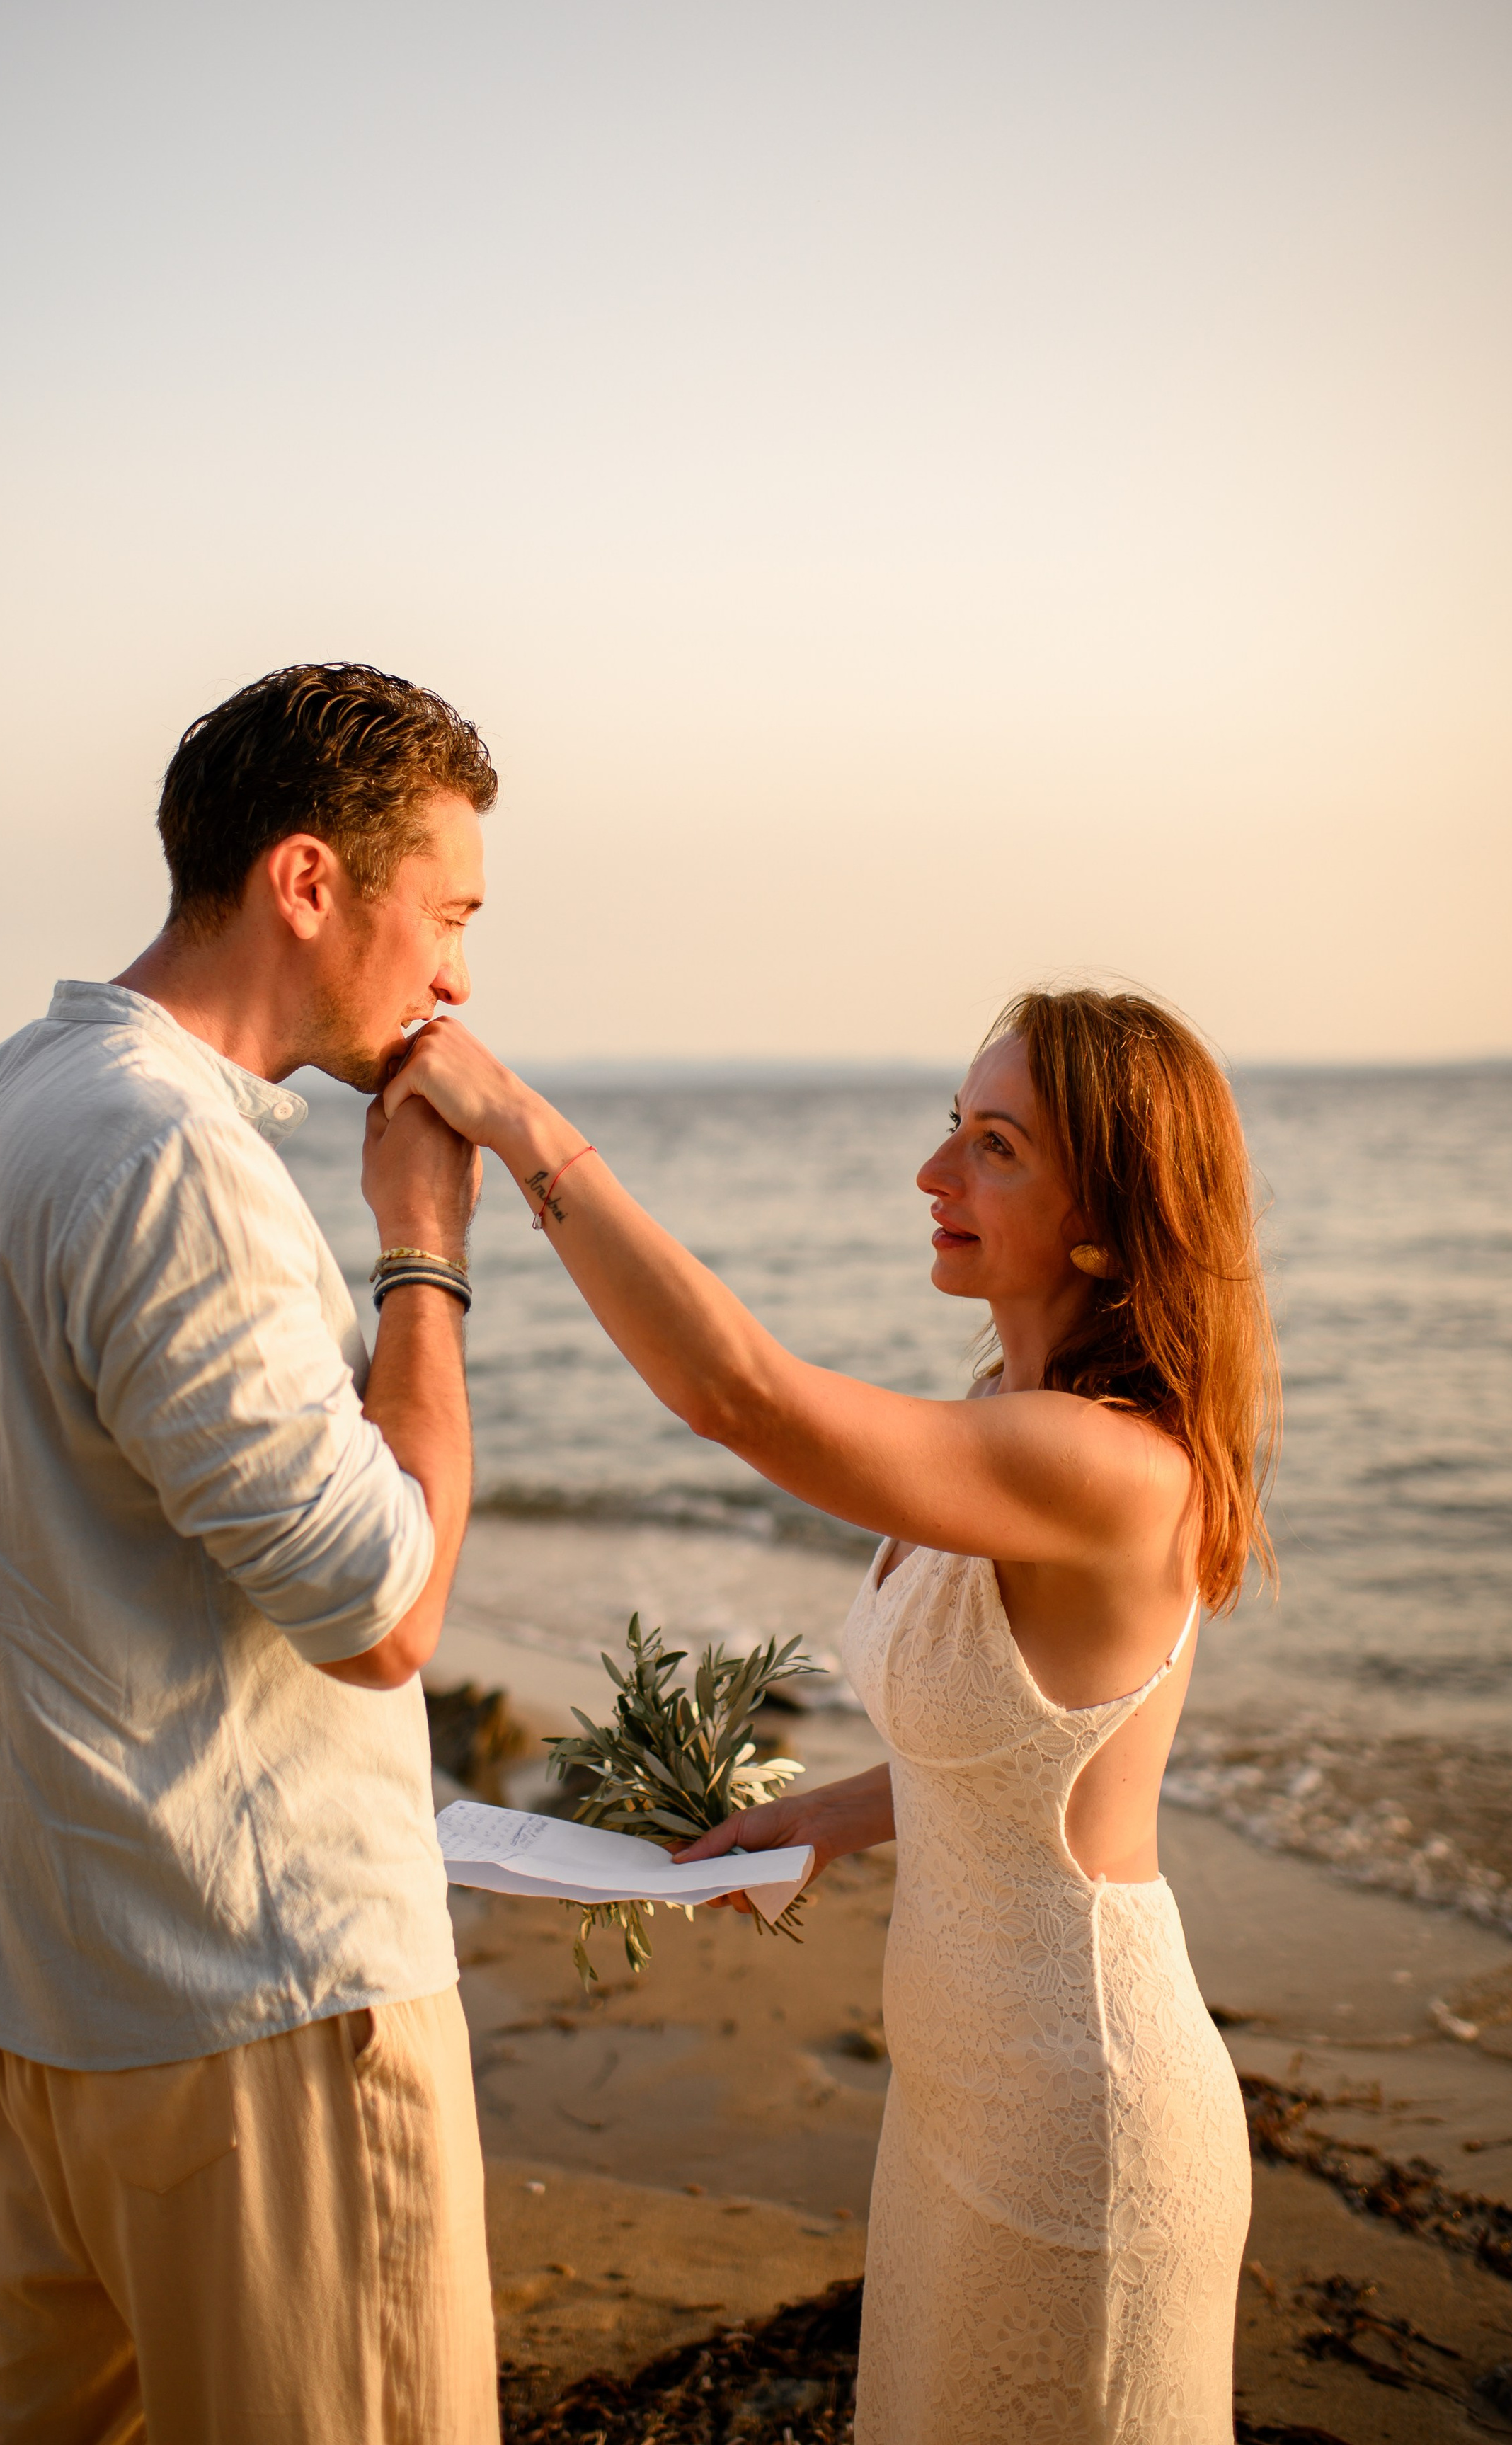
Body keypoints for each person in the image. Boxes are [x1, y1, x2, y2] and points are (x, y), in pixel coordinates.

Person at [382, 988, 1276, 2445]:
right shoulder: (1010, 1400)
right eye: (951, 1129)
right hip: (955, 2091)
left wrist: (518, 1130)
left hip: (1081, 2112)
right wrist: (833, 1813)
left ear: (1109, 1216)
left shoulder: (1100, 1462)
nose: (933, 1177)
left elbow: (739, 1396)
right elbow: (1034, 1734)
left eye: (993, 1148)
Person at [0, 664, 503, 2445]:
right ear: (309, 882)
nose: (458, 975)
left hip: (64, 1990)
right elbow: (384, 1610)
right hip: (257, 1994)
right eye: (445, 911)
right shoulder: (169, 1155)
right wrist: (421, 1254)